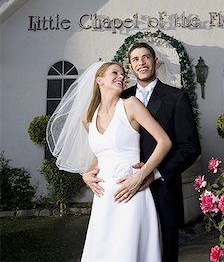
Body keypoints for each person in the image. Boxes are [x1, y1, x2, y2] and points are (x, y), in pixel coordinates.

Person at [83, 43, 201, 261]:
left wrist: (153, 174)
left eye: (146, 57)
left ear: (155, 62)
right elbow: (107, 144)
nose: (141, 62)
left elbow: (190, 147)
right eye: (135, 59)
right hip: (123, 193)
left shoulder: (176, 97)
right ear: (131, 66)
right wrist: (88, 172)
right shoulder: (123, 98)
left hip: (163, 190)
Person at [47, 61, 172, 262]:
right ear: (99, 80)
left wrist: (141, 175)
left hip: (131, 193)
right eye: (115, 73)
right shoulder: (88, 117)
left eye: (123, 74)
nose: (121, 77)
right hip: (104, 199)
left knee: (129, 253)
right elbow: (101, 153)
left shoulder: (130, 105)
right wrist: (86, 174)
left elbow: (164, 142)